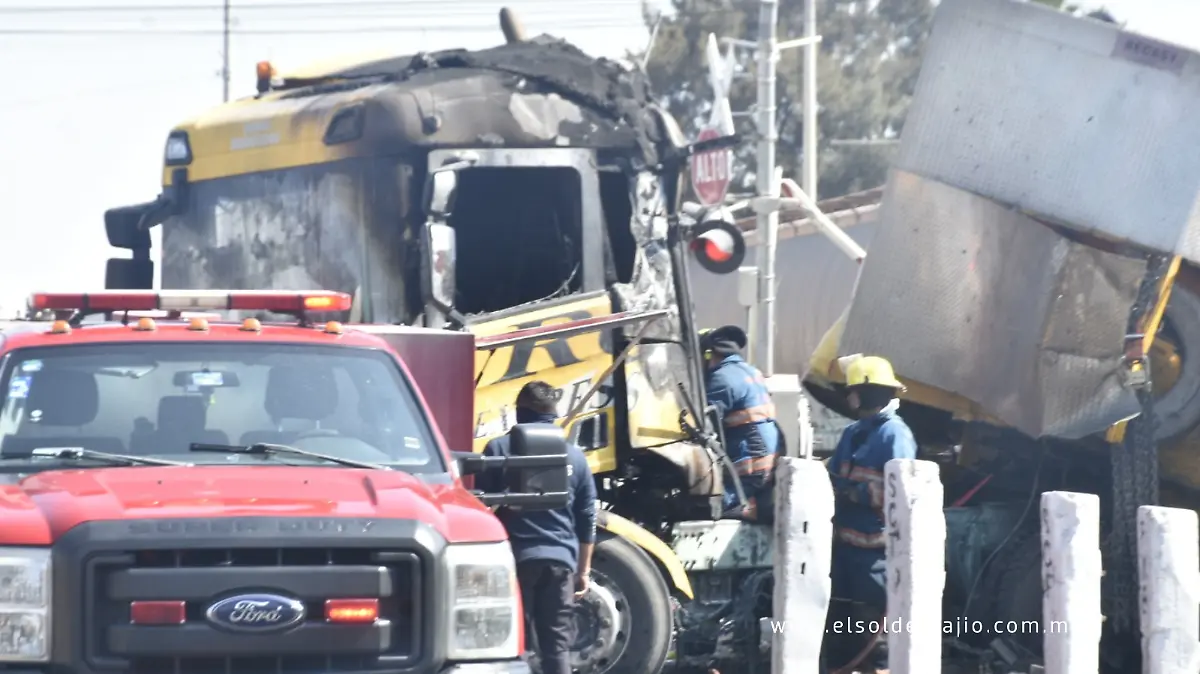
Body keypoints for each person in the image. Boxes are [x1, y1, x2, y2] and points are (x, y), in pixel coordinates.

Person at [475, 380, 597, 674]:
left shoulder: (498, 448)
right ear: (553, 414)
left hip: (515, 563)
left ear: (518, 412)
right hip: (560, 564)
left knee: (519, 644)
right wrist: (583, 571)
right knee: (557, 647)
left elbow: (480, 509)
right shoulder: (575, 457)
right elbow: (587, 517)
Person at [825, 355, 917, 674]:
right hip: (845, 549)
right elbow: (835, 475)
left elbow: (901, 494)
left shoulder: (895, 435)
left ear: (867, 392)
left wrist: (857, 493)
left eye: (852, 391)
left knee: (873, 632)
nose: (849, 397)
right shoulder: (853, 432)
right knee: (843, 627)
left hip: (875, 553)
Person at [698, 325, 781, 522]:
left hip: (750, 469)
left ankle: (745, 511)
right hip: (767, 464)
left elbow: (704, 424)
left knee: (705, 509)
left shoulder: (722, 378)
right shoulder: (752, 372)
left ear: (709, 355)